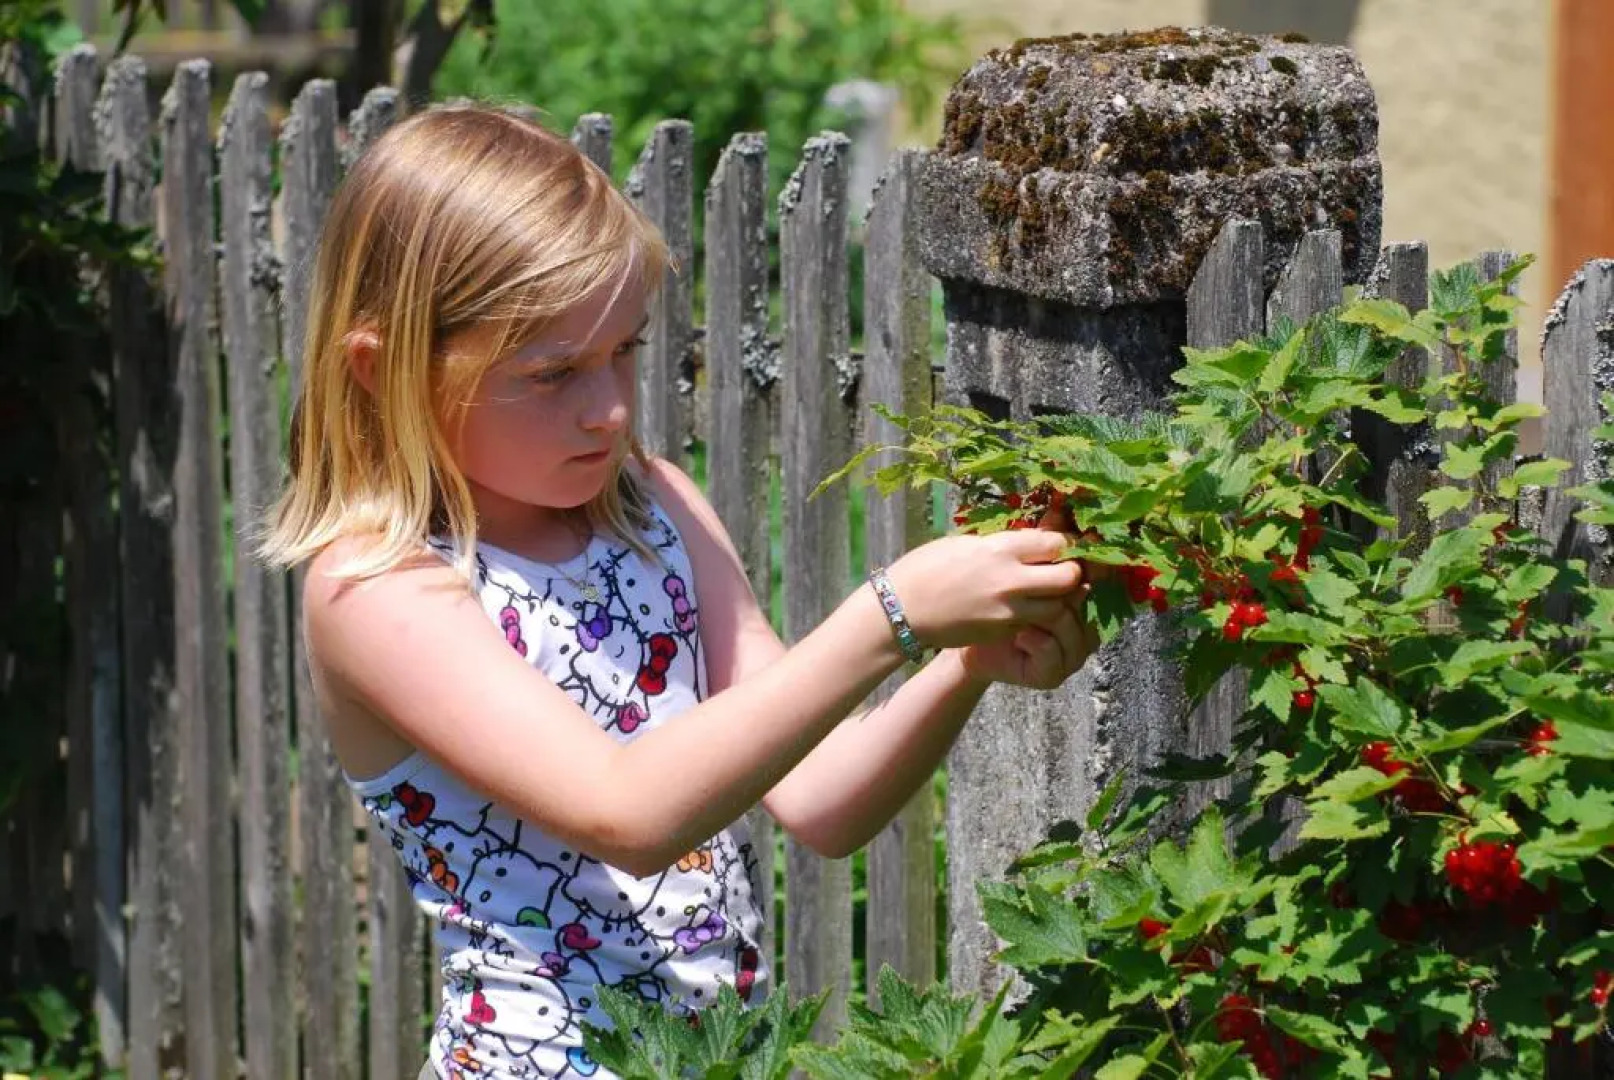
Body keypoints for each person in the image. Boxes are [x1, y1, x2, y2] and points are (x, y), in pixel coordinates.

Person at [260, 102, 1097, 1080]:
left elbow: (821, 799)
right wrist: (891, 614)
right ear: (385, 368)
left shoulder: (651, 506)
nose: (611, 409)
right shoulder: (382, 587)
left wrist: (963, 662)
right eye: (553, 373)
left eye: (625, 350)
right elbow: (630, 813)